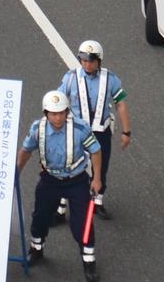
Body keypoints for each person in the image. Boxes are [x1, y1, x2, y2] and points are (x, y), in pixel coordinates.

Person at [17, 90, 102, 282]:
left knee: (82, 223)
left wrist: (97, 179)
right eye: (53, 113)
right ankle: (36, 249)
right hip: (50, 180)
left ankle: (88, 259)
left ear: (67, 112)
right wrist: (16, 172)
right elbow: (25, 151)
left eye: (62, 112)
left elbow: (96, 152)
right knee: (40, 216)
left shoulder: (80, 129)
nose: (58, 117)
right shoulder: (38, 128)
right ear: (46, 113)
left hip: (77, 180)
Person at [54, 40, 131, 222]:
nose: (87, 64)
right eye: (83, 60)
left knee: (100, 167)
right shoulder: (71, 77)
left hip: (100, 131)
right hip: (76, 132)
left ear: (99, 61)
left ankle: (97, 200)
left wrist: (126, 131)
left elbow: (120, 104)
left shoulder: (110, 79)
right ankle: (62, 207)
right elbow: (58, 102)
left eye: (91, 60)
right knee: (69, 166)